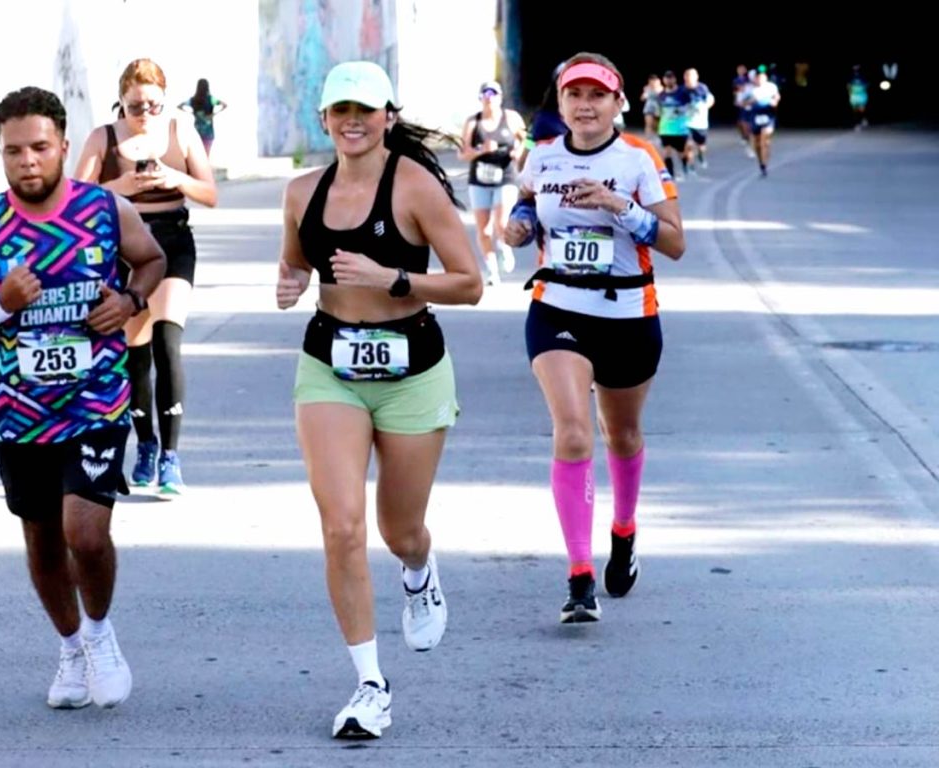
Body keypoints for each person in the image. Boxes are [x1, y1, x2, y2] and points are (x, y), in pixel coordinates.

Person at [0, 86, 166, 709]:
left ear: (64, 145)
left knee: (85, 534)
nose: (27, 161)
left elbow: (151, 260)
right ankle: (70, 647)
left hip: (96, 402)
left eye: (40, 147)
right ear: (2, 155)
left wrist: (132, 300)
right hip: (21, 415)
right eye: (14, 151)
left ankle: (99, 632)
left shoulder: (103, 211)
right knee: (41, 542)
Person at [276, 60, 482, 738]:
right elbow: (297, 261)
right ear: (326, 120)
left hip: (413, 369)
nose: (352, 121)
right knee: (341, 526)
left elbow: (469, 283)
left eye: (365, 109)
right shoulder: (302, 191)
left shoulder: (415, 186)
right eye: (340, 110)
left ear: (388, 115)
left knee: (398, 530)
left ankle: (419, 569)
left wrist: (392, 277)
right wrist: (288, 282)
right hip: (330, 366)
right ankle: (370, 683)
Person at [504, 52, 685, 624]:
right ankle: (579, 575)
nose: (585, 105)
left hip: (630, 314)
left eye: (597, 95)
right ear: (560, 103)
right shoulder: (542, 157)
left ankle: (624, 530)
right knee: (574, 431)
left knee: (623, 434)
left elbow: (676, 243)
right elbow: (527, 203)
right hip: (558, 306)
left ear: (617, 104)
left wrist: (618, 207)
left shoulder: (638, 160)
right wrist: (521, 224)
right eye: (574, 95)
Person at [75, 58, 218, 494]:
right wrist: (122, 189)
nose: (145, 115)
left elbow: (209, 193)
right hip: (123, 248)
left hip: (172, 243)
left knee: (168, 341)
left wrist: (174, 176)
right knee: (134, 352)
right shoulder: (104, 138)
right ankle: (147, 445)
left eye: (154, 105)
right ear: (121, 101)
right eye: (136, 106)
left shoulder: (180, 130)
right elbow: (75, 199)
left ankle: (171, 458)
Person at [458, 80, 526, 284]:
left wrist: (519, 151)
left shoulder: (511, 118)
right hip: (479, 179)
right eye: (486, 94)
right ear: (480, 98)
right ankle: (491, 270)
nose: (490, 98)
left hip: (505, 176)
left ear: (500, 97)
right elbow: (462, 153)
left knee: (502, 222)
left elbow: (527, 138)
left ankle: (504, 247)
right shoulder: (473, 122)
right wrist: (482, 151)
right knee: (484, 229)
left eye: (494, 94)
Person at [655, 70, 693, 180]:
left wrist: (682, 112)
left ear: (674, 79)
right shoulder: (661, 95)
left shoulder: (682, 93)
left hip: (680, 129)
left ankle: (685, 168)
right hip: (665, 129)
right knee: (666, 152)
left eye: (670, 78)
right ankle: (671, 175)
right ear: (663, 80)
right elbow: (658, 111)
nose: (668, 80)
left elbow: (690, 107)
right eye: (666, 78)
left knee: (681, 153)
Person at [744, 65, 781, 176]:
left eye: (762, 77)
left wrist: (775, 102)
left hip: (768, 115)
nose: (760, 79)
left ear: (765, 78)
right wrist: (751, 101)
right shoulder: (749, 89)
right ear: (754, 79)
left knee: (765, 138)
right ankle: (761, 163)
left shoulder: (771, 87)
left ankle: (765, 161)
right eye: (758, 77)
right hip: (755, 116)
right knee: (757, 143)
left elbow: (777, 97)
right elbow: (742, 102)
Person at [178, 78, 228, 156]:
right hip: (208, 132)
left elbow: (179, 106)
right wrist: (213, 114)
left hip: (196, 131)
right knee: (206, 156)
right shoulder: (211, 99)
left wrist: (191, 113)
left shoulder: (193, 100)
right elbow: (225, 105)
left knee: (196, 156)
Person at [683, 68, 715, 169]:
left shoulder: (702, 88)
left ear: (696, 77)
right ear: (685, 77)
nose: (690, 78)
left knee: (701, 145)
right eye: (688, 75)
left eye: (692, 75)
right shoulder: (682, 90)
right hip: (686, 123)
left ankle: (701, 155)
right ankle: (690, 165)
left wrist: (706, 106)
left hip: (700, 123)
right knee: (688, 144)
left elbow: (711, 99)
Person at [641, 74, 663, 140]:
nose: (652, 83)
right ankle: (647, 140)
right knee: (648, 125)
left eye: (654, 81)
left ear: (658, 81)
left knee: (656, 126)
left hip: (658, 108)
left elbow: (663, 99)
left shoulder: (661, 88)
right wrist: (644, 95)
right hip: (648, 107)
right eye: (650, 81)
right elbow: (642, 98)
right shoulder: (646, 88)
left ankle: (657, 139)